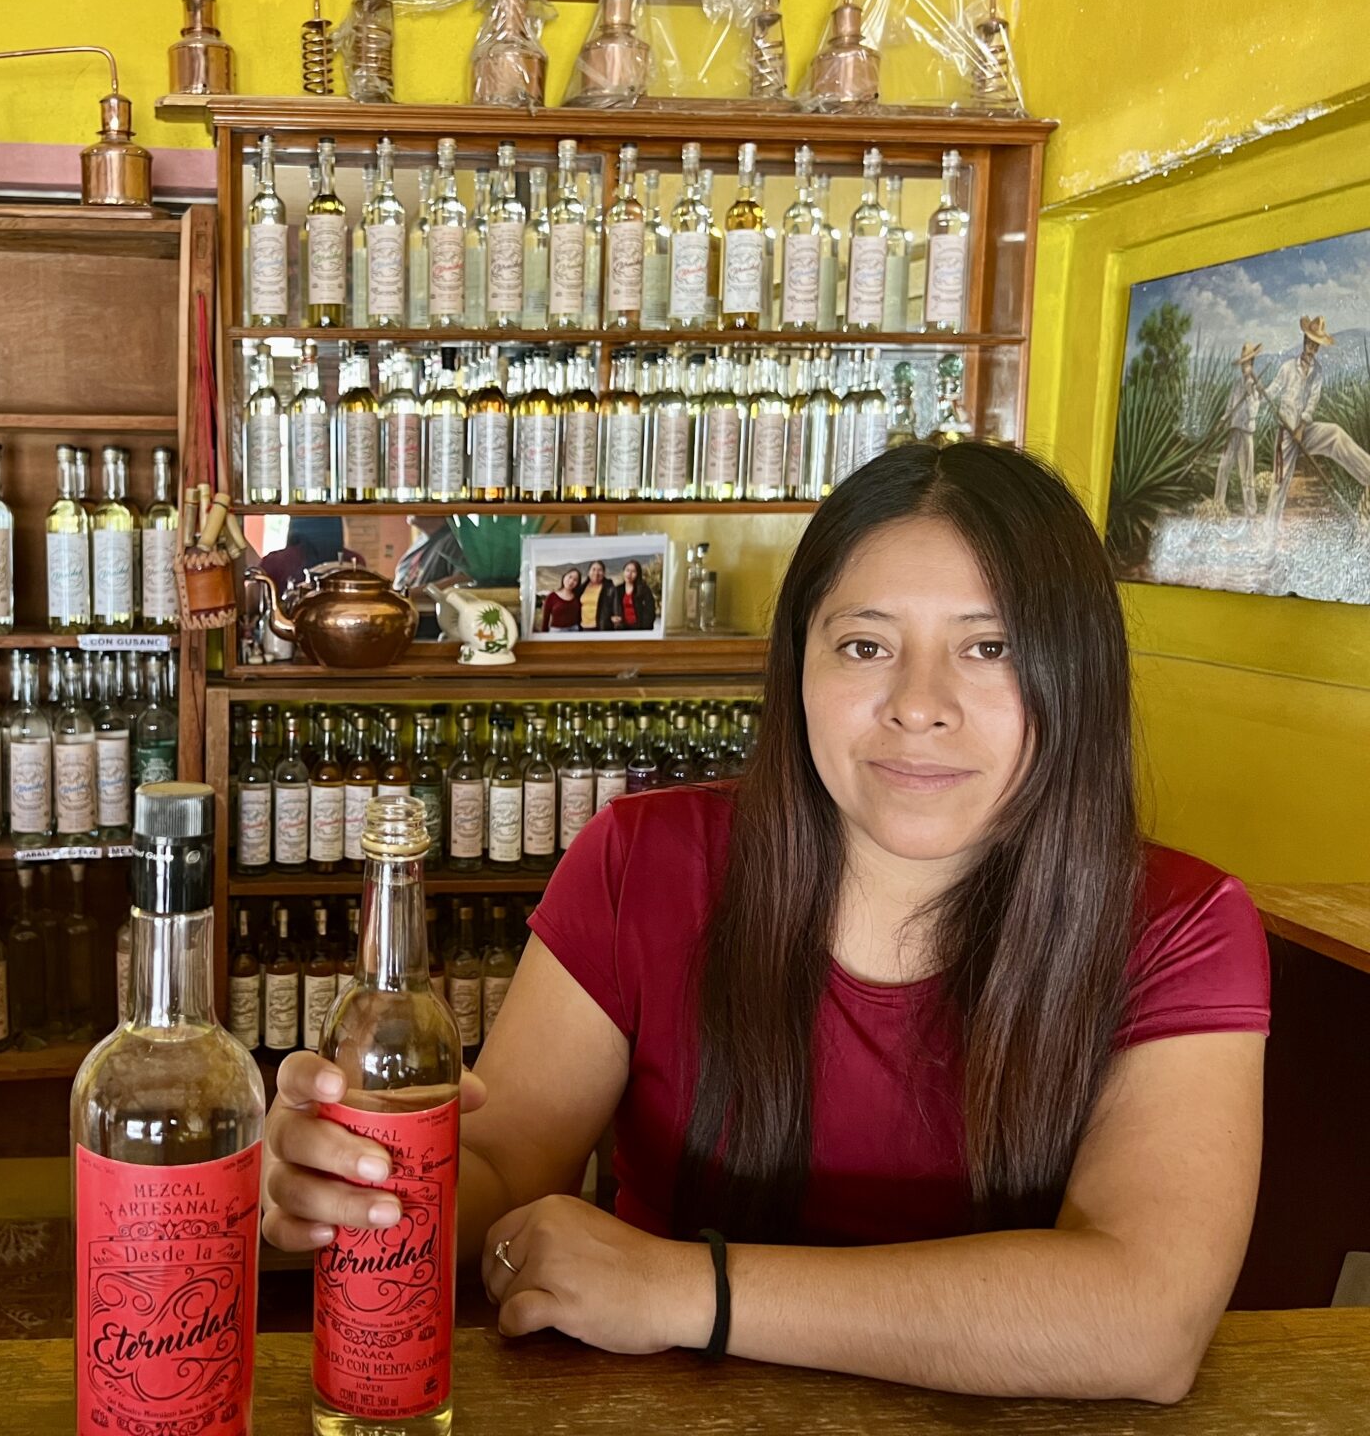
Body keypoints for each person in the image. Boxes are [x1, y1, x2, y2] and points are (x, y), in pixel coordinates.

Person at [263, 441, 1268, 1403]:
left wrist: (683, 1290)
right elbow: (496, 1168)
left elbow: (1143, 1321)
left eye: (989, 647)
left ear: (1076, 673)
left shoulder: (1177, 926)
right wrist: (364, 1179)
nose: (918, 705)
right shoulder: (639, 862)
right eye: (864, 645)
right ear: (797, 666)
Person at [1263, 315, 1370, 529]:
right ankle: (1268, 537)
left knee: (1334, 434)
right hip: (1286, 434)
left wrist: (1302, 427)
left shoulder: (1317, 372)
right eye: (1309, 342)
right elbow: (1273, 390)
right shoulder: (1287, 368)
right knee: (1279, 484)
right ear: (1304, 341)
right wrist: (1260, 395)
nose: (1312, 347)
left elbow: (1312, 403)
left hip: (1304, 430)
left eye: (1316, 344)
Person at [1212, 343, 1260, 520]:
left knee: (1246, 473)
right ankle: (1218, 506)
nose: (1244, 367)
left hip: (1246, 433)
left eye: (1247, 363)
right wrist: (1222, 421)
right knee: (1223, 466)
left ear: (1252, 364)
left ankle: (1251, 511)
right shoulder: (1236, 384)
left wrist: (1249, 394)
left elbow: (1254, 412)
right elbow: (1229, 408)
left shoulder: (1255, 386)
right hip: (1233, 431)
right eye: (1242, 364)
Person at [611, 557, 657, 631]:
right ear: (623, 572)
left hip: (640, 628)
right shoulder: (617, 589)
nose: (629, 574)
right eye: (627, 570)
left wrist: (645, 628)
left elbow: (650, 611)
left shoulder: (644, 589)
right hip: (621, 629)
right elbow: (610, 608)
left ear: (638, 574)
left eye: (633, 571)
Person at [537, 567, 583, 633]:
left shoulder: (577, 597)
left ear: (577, 584)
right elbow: (545, 621)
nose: (571, 581)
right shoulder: (552, 597)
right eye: (570, 577)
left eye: (575, 580)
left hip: (574, 631)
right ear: (564, 576)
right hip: (556, 632)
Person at [578, 560, 615, 631]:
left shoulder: (609, 588)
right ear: (588, 572)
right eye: (593, 569)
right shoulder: (582, 587)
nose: (596, 573)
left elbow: (615, 604)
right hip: (584, 627)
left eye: (600, 570)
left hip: (601, 626)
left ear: (604, 573)